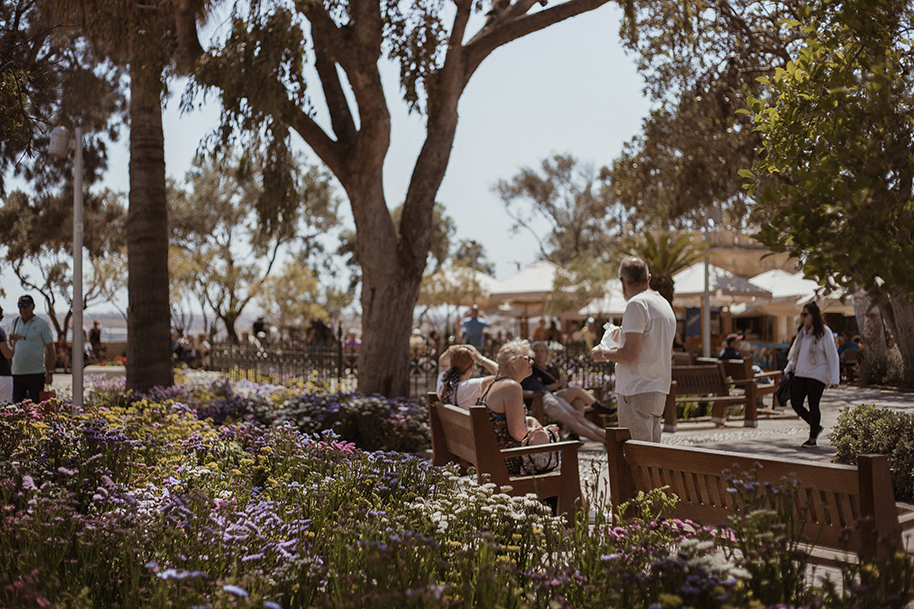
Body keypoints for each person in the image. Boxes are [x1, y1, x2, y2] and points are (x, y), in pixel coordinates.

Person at [591, 257, 676, 443]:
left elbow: (630, 355)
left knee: (637, 457)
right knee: (652, 453)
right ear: (649, 278)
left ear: (622, 281)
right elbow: (665, 351)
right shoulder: (664, 304)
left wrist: (603, 354)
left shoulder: (636, 305)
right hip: (657, 388)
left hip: (637, 389)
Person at [477, 339, 557, 475]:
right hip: (507, 459)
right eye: (527, 358)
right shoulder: (511, 387)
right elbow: (518, 434)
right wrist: (544, 433)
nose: (532, 362)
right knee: (557, 449)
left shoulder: (492, 383)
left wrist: (532, 423)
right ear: (513, 363)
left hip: (492, 454)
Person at [523, 341, 611, 444]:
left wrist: (561, 383)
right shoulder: (532, 370)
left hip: (551, 396)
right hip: (543, 399)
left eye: (542, 351)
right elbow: (533, 390)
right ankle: (605, 438)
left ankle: (604, 435)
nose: (538, 355)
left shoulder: (549, 368)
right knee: (574, 419)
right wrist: (557, 384)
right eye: (535, 352)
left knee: (577, 412)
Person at [785, 302, 840, 447]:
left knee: (813, 404)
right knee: (795, 402)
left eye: (805, 314)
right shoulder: (803, 331)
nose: (802, 317)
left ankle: (812, 438)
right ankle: (816, 426)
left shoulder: (824, 332)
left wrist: (835, 377)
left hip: (817, 374)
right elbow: (797, 353)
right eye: (802, 314)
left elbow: (832, 356)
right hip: (801, 373)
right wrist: (789, 368)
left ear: (813, 315)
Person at [9, 295, 56, 403]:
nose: (22, 309)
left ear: (33, 307)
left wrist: (50, 372)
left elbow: (50, 349)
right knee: (16, 408)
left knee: (38, 406)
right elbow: (10, 345)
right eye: (19, 306)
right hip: (17, 373)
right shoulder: (15, 322)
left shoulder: (42, 323)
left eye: (25, 306)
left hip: (36, 373)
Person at [0, 307, 13, 403]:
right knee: (4, 410)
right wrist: (13, 343)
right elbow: (8, 354)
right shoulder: (0, 333)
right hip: (2, 375)